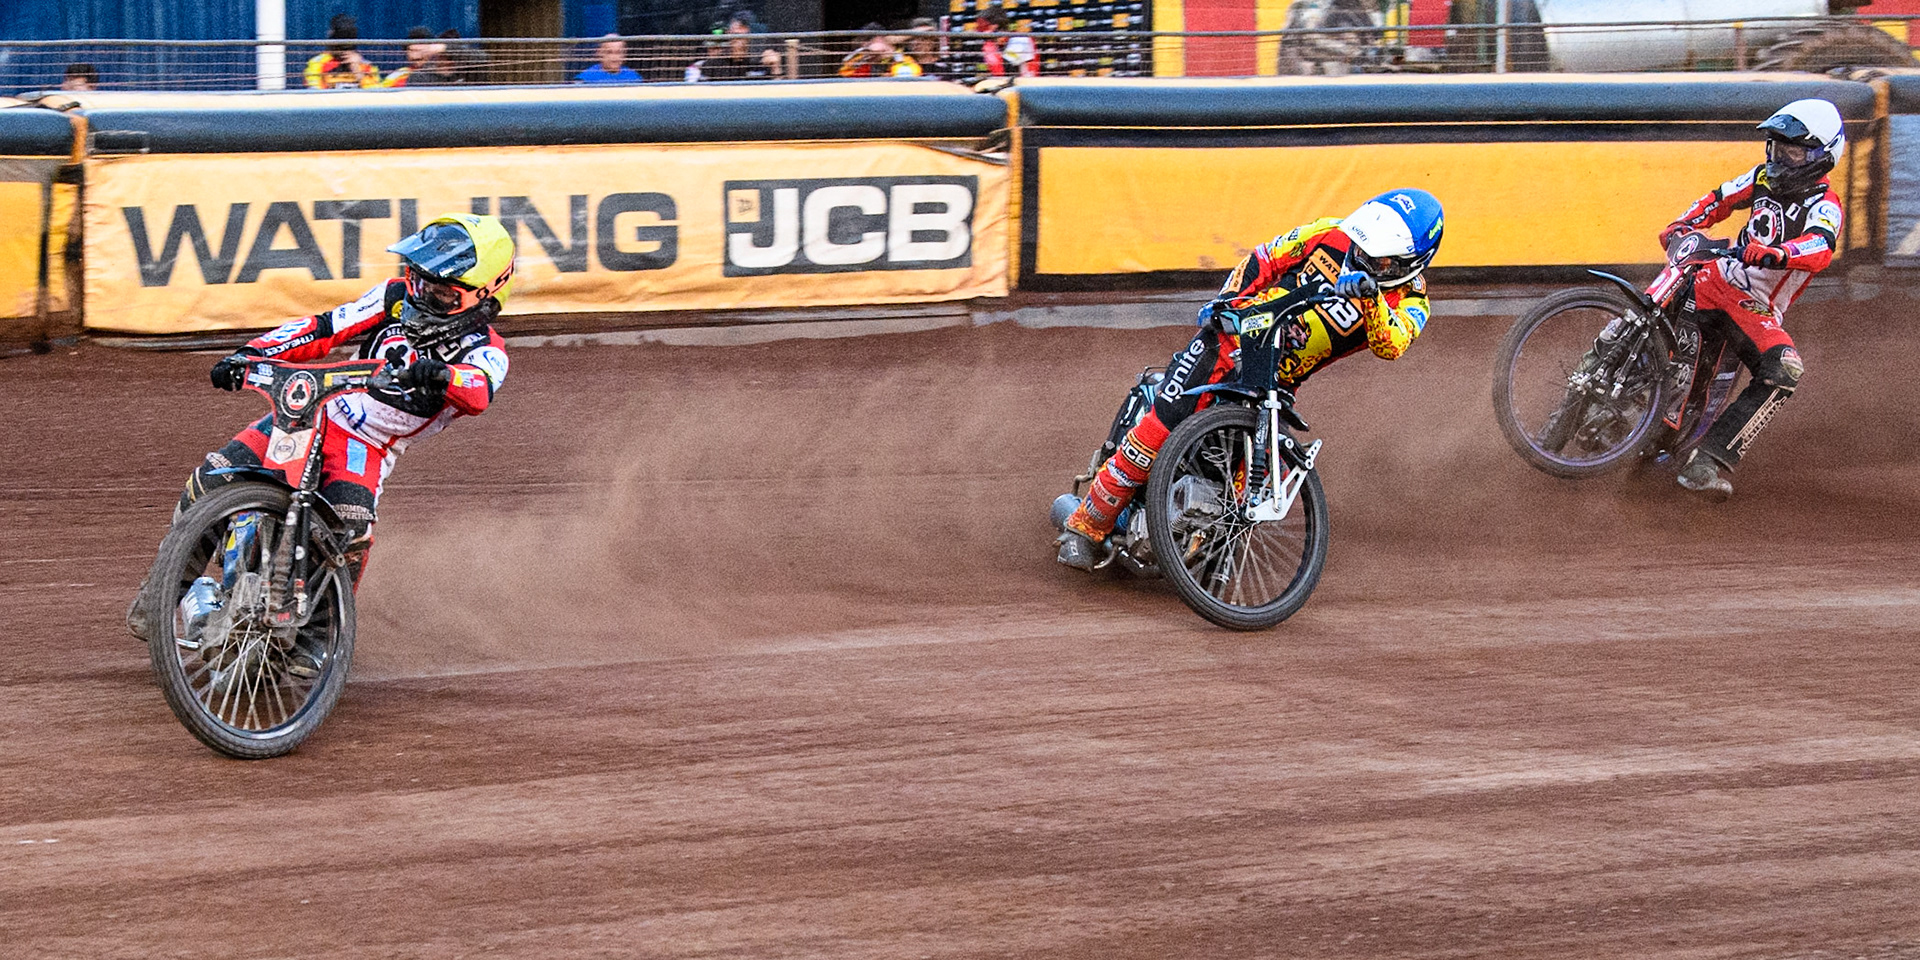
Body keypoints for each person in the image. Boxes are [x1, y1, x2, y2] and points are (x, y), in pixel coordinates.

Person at [126, 214, 516, 644]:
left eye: (442, 292)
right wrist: (251, 354)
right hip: (314, 409)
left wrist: (444, 375)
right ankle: (164, 591)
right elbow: (325, 328)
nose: (423, 294)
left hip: (366, 446)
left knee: (350, 526)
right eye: (420, 280)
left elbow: (479, 389)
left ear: (486, 294)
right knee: (212, 478)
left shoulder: (487, 350)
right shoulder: (393, 297)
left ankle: (318, 640)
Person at [1056, 189, 1444, 570]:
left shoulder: (1413, 302)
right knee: (1156, 430)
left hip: (1278, 382)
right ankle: (1085, 527)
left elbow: (1392, 344)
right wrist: (1226, 302)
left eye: (1380, 260)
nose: (1363, 258)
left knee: (1265, 477)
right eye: (1361, 247)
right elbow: (1265, 259)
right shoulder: (1330, 232)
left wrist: (1371, 298)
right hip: (1230, 341)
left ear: (1411, 263)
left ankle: (1200, 548)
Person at [1658, 99, 1844, 501]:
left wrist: (1778, 253)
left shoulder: (1826, 205)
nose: (1779, 158)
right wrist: (1683, 224)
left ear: (1822, 156)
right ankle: (1608, 361)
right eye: (1776, 147)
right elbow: (1719, 199)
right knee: (1662, 302)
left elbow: (1821, 246)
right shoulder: (1761, 177)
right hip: (1716, 278)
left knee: (1784, 369)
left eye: (1793, 151)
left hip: (1754, 307)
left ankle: (1707, 461)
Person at [694, 14, 782, 82]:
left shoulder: (757, 63)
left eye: (744, 37)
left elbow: (776, 92)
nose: (740, 42)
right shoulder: (713, 64)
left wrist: (775, 68)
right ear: (729, 37)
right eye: (736, 36)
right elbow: (701, 91)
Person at [305, 13, 383, 89]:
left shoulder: (365, 65)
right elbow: (315, 91)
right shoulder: (317, 63)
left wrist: (357, 70)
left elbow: (377, 93)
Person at [838, 25, 922, 78]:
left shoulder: (904, 60)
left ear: (881, 39)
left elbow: (908, 78)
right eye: (863, 41)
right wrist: (862, 61)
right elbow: (844, 74)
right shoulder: (862, 60)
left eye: (869, 39)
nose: (864, 44)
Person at [387, 27, 458, 86]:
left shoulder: (448, 72)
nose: (415, 56)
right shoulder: (400, 75)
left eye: (421, 50)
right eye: (412, 50)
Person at [576, 36, 641, 84]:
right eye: (609, 52)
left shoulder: (633, 77)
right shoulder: (586, 78)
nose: (614, 57)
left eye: (618, 52)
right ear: (599, 53)